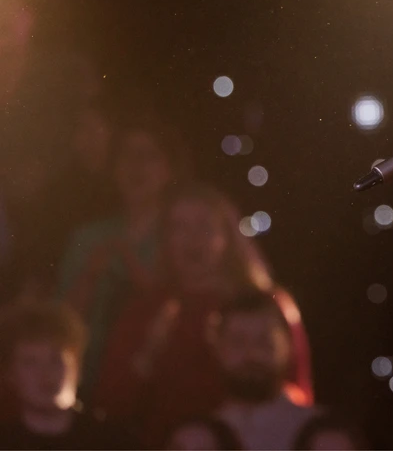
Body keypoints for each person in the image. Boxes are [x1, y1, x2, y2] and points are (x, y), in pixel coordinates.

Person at [93, 183, 314, 448]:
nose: (192, 238)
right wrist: (148, 353)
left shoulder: (268, 306)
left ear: (226, 236)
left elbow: (299, 395)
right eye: (179, 227)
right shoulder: (146, 310)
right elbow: (110, 404)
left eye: (204, 226)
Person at [57, 112, 189, 400]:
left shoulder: (182, 236)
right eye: (127, 156)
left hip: (161, 382)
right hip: (89, 382)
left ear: (169, 169)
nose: (136, 166)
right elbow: (62, 321)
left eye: (149, 156)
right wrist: (89, 277)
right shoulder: (88, 237)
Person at [168, 291, 355, 450]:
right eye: (238, 342)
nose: (251, 354)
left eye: (264, 342)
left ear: (288, 346)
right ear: (218, 348)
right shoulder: (196, 440)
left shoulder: (325, 438)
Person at [0, 301, 132, 450]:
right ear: (11, 374)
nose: (45, 373)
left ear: (77, 367)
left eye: (55, 360)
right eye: (30, 362)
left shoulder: (113, 441)